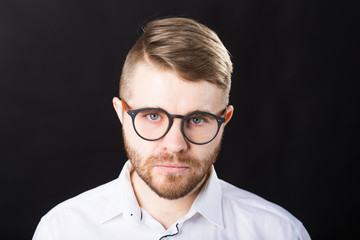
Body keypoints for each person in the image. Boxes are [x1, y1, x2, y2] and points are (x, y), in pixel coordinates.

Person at [33, 17, 310, 240]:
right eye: (153, 116)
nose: (176, 144)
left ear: (225, 119)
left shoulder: (280, 233)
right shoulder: (61, 230)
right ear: (121, 113)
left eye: (198, 119)